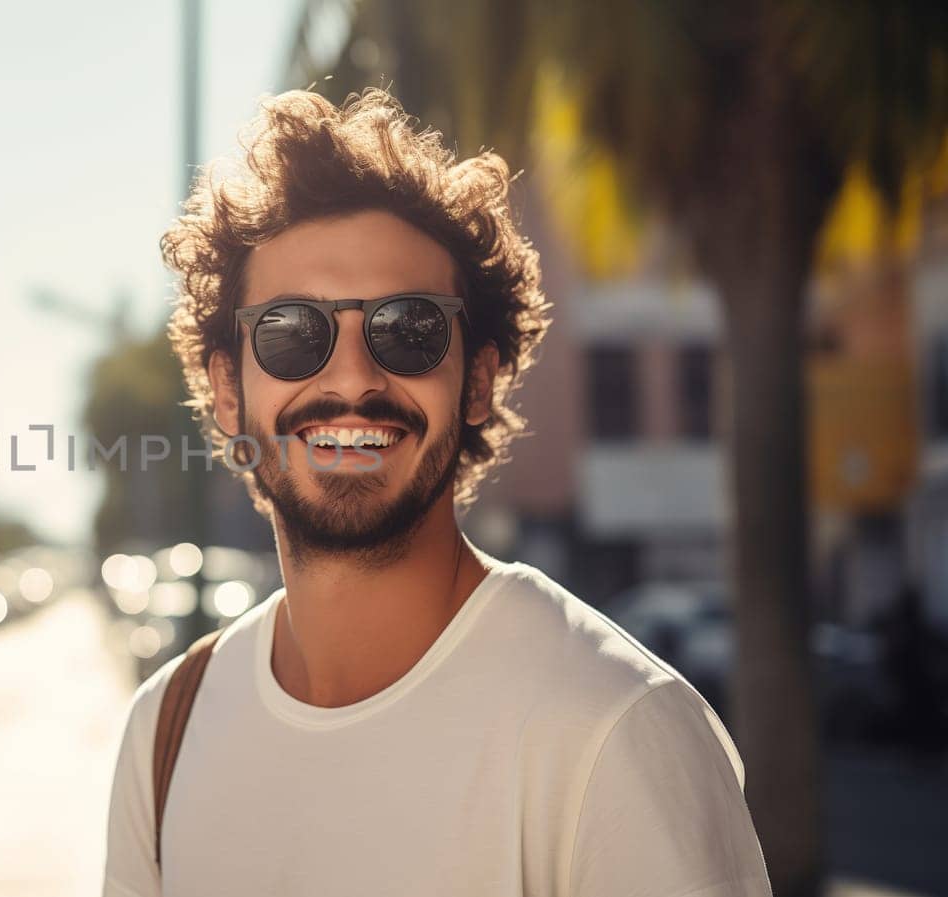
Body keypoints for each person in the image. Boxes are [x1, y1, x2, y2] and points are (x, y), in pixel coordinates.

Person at [102, 89, 772, 896]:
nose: (352, 377)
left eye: (408, 328)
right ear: (228, 390)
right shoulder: (165, 733)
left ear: (479, 381)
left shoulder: (614, 732)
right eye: (289, 332)